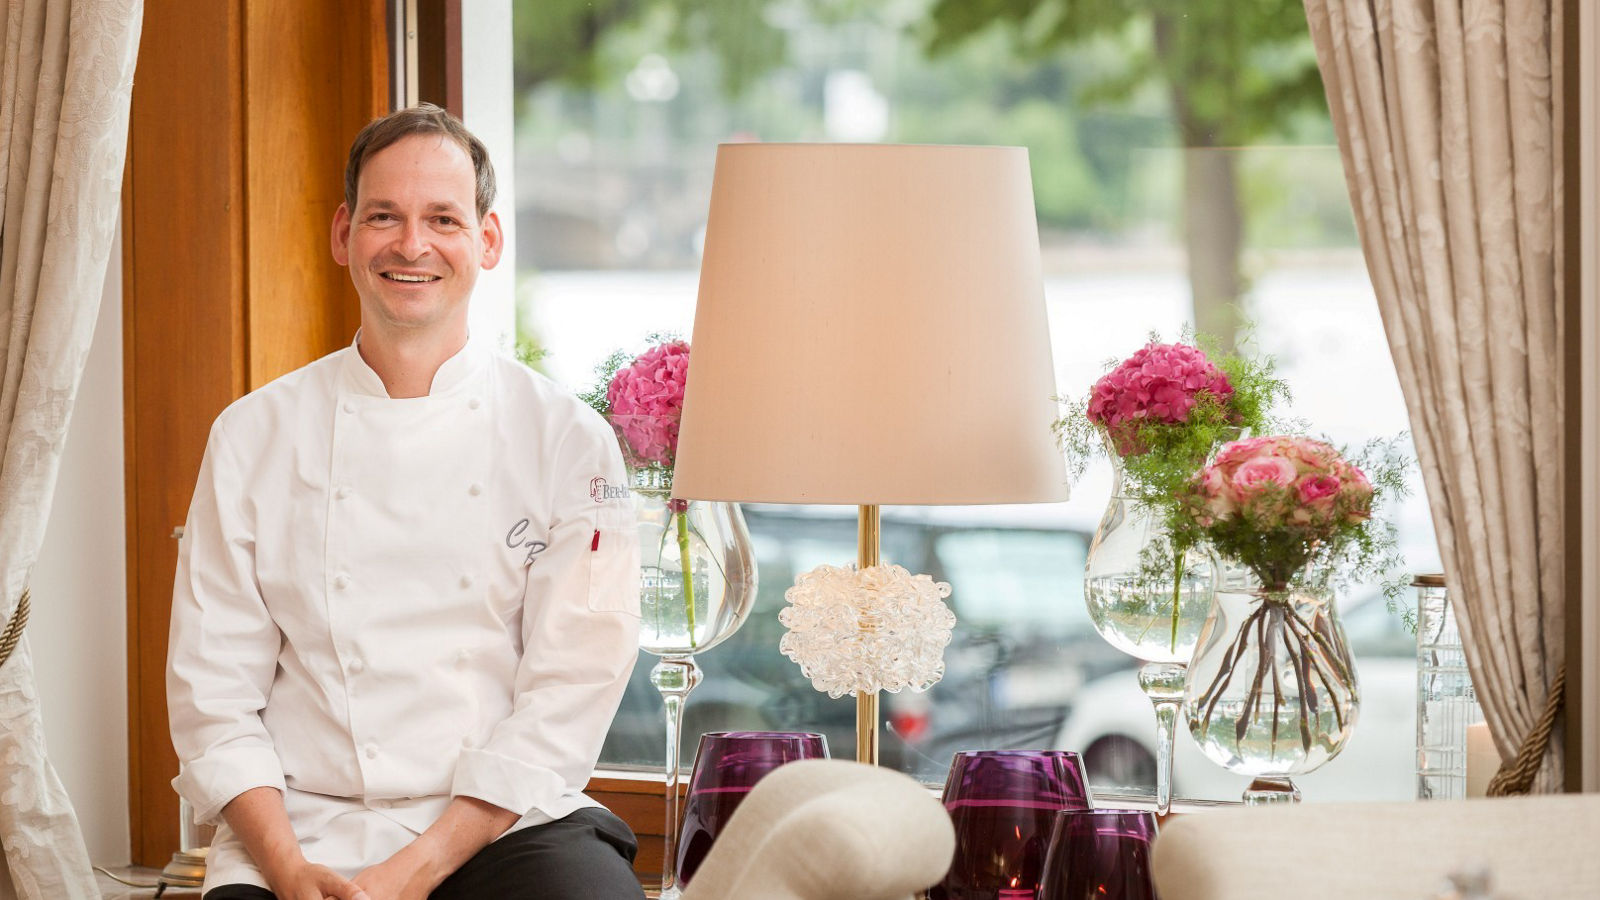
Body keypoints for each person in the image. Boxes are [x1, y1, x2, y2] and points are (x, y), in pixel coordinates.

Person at [167, 104, 645, 900]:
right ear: (343, 233)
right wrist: (286, 870)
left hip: (505, 822)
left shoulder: (568, 440)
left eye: (443, 219)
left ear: (487, 241)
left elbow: (569, 690)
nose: (411, 245)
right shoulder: (252, 435)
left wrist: (412, 872)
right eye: (384, 216)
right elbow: (213, 694)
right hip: (300, 825)